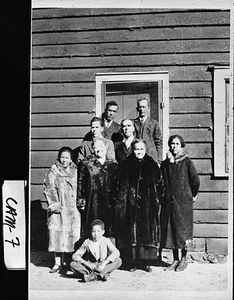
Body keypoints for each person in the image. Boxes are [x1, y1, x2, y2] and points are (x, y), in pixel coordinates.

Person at [115, 139, 165, 272]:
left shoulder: (151, 164)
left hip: (147, 205)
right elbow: (118, 183)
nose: (139, 152)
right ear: (133, 150)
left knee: (146, 232)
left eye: (141, 149)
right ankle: (132, 262)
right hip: (129, 205)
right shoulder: (126, 164)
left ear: (145, 150)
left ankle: (145, 262)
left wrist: (158, 200)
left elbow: (160, 183)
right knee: (132, 233)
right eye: (137, 149)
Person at [160, 135, 200, 272]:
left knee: (183, 231)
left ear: (181, 146)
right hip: (169, 203)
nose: (174, 146)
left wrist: (192, 195)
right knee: (172, 231)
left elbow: (195, 180)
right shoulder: (166, 163)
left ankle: (184, 259)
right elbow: (162, 182)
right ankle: (175, 259)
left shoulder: (187, 162)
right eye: (172, 144)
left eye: (177, 144)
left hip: (183, 203)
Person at [43, 147, 81, 273]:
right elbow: (49, 187)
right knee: (57, 235)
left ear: (71, 159)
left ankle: (67, 262)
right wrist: (54, 204)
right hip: (59, 208)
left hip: (71, 207)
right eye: (62, 157)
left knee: (70, 235)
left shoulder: (75, 171)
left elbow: (79, 186)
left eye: (67, 157)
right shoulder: (53, 170)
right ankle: (57, 262)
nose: (64, 160)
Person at [77, 139, 118, 238]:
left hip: (109, 202)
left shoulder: (113, 165)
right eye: (95, 148)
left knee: (108, 228)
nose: (98, 150)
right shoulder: (86, 164)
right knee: (93, 226)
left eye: (100, 147)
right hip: (93, 201)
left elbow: (117, 185)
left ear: (106, 147)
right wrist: (81, 201)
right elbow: (81, 183)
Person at [133, 97, 163, 164]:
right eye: (140, 107)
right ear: (137, 109)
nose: (142, 109)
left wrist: (159, 160)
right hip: (137, 156)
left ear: (148, 109)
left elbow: (158, 142)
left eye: (144, 107)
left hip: (151, 156)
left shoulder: (154, 123)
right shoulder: (133, 123)